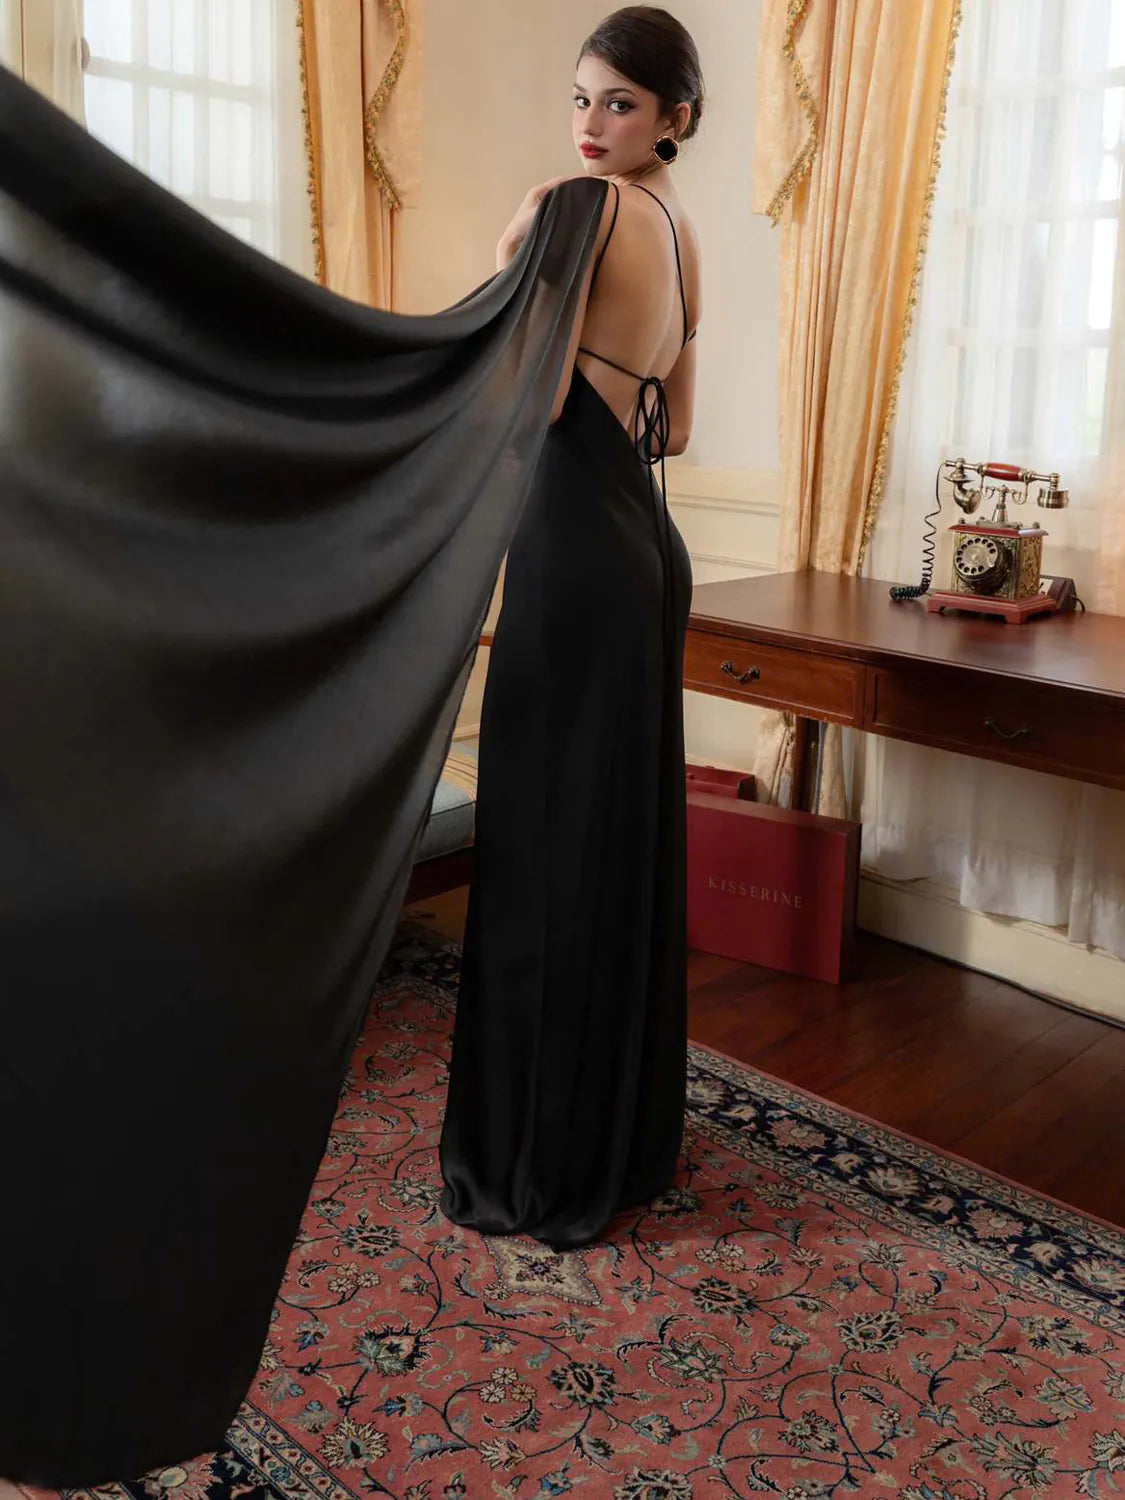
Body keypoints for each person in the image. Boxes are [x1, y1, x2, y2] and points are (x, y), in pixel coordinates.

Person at [439, 6, 703, 1250]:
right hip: (644, 546)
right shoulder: (675, 229)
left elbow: (531, 397)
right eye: (582, 100)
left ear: (674, 119)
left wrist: (511, 250)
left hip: (571, 552)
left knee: (548, 845)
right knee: (612, 841)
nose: (593, 126)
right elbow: (675, 428)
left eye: (621, 105)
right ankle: (619, 1141)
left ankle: (536, 1166)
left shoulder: (577, 212)